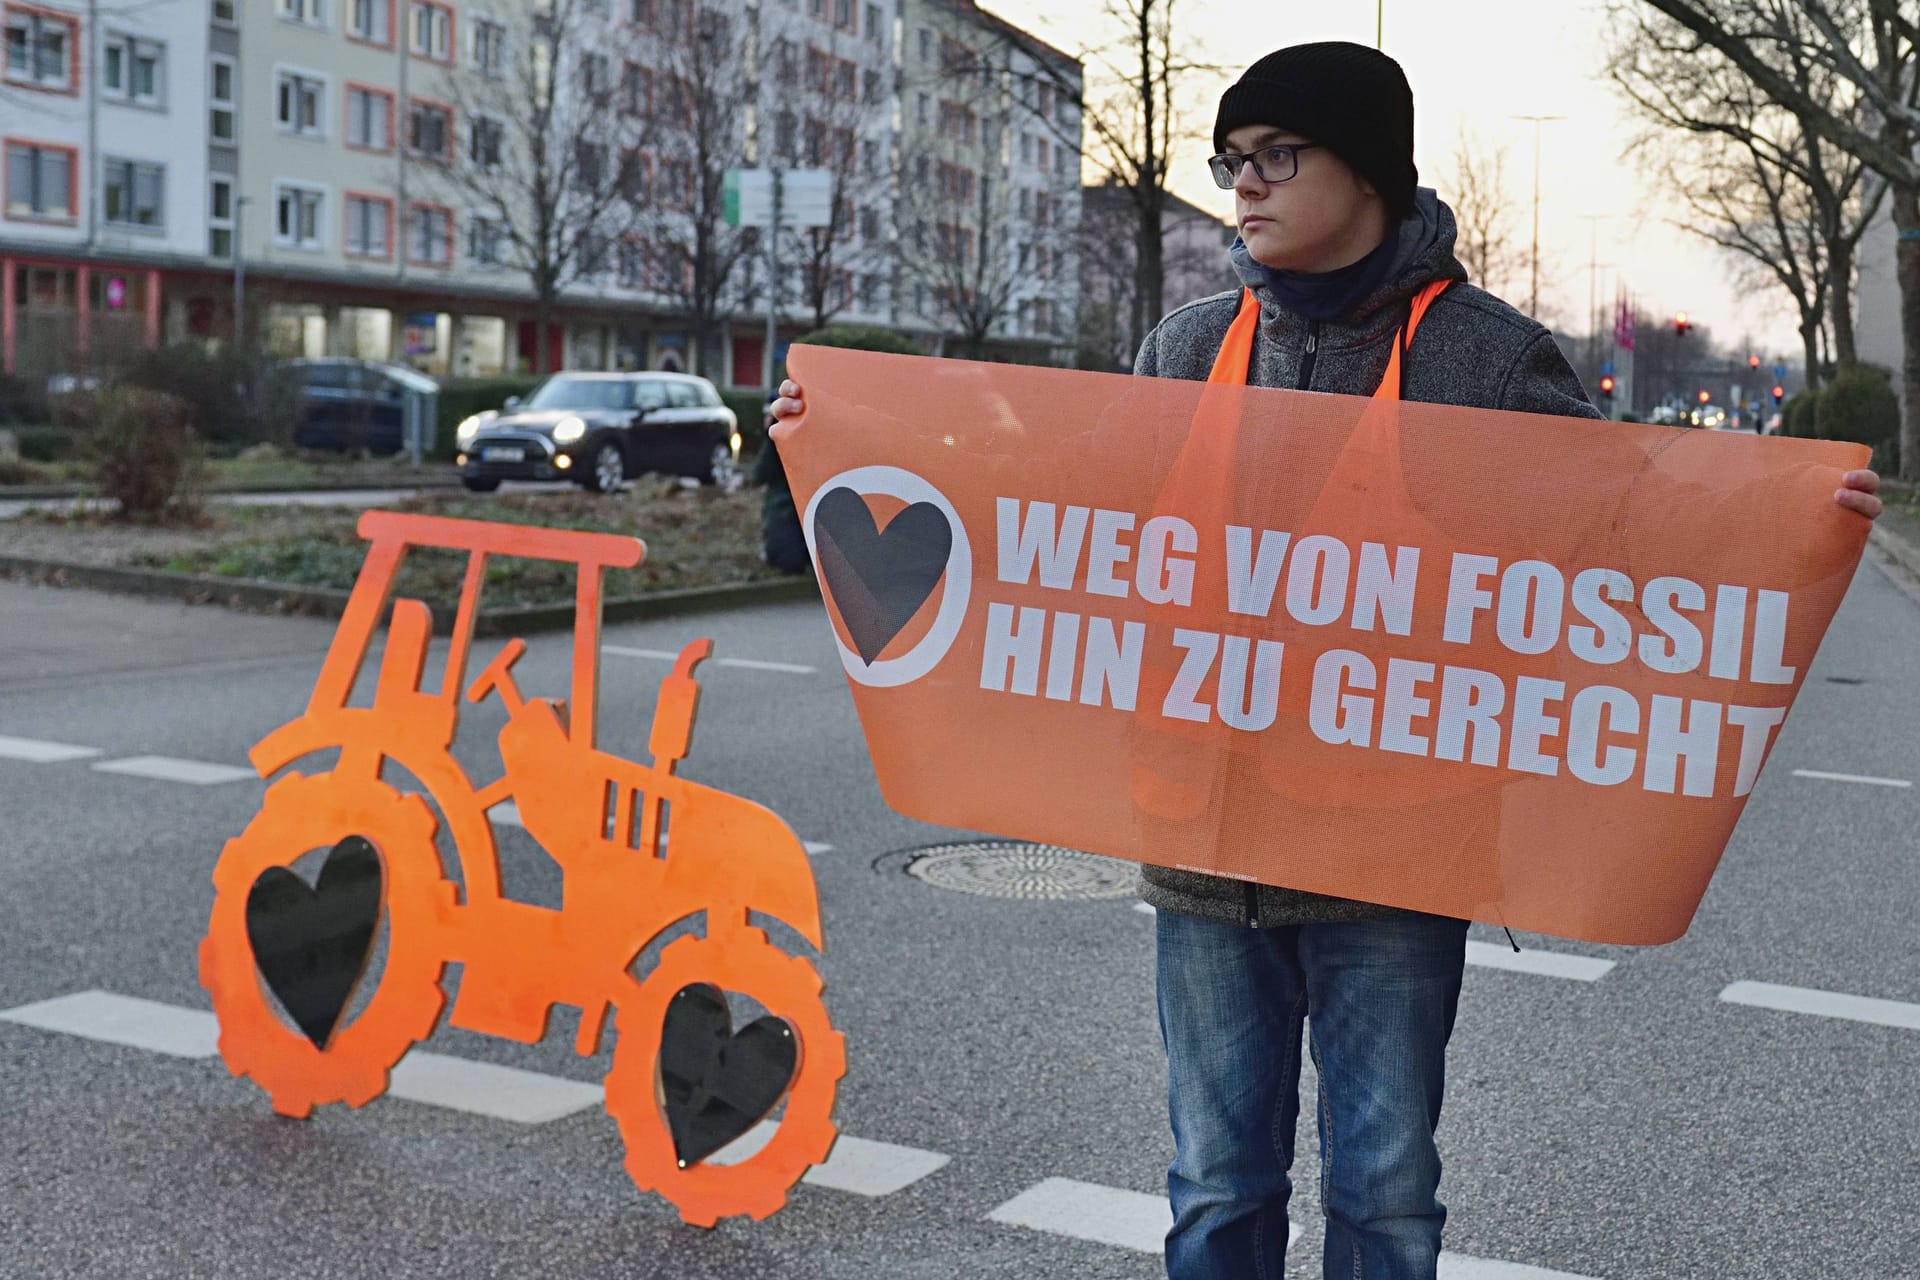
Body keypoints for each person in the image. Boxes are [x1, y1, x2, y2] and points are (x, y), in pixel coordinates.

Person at [772, 40, 1883, 1280]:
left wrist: (1790, 523)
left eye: (1276, 157)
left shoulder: (1482, 358)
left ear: (1369, 171)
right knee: (1213, 1193)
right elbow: (1062, 527)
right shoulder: (1185, 348)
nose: (1244, 186)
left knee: (1388, 1197)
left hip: (1394, 867)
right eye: (1232, 161)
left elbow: (1620, 539)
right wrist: (832, 452)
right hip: (1202, 854)